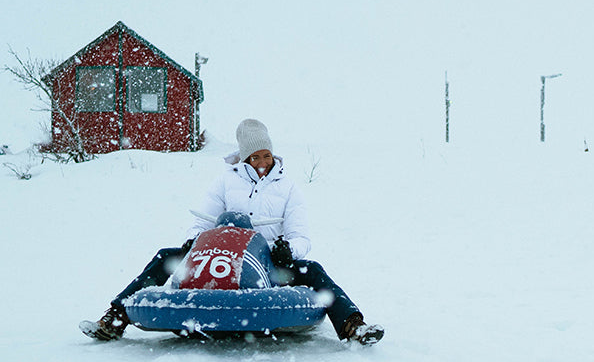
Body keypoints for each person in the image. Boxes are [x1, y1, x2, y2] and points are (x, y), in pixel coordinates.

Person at [81, 118, 384, 345]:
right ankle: (114, 317)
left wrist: (289, 250)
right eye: (255, 157)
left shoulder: (289, 189)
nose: (262, 162)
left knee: (313, 270)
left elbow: (301, 235)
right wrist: (194, 239)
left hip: (266, 261)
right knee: (166, 256)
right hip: (221, 252)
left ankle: (352, 325)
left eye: (266, 155)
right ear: (245, 158)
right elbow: (203, 218)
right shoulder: (225, 182)